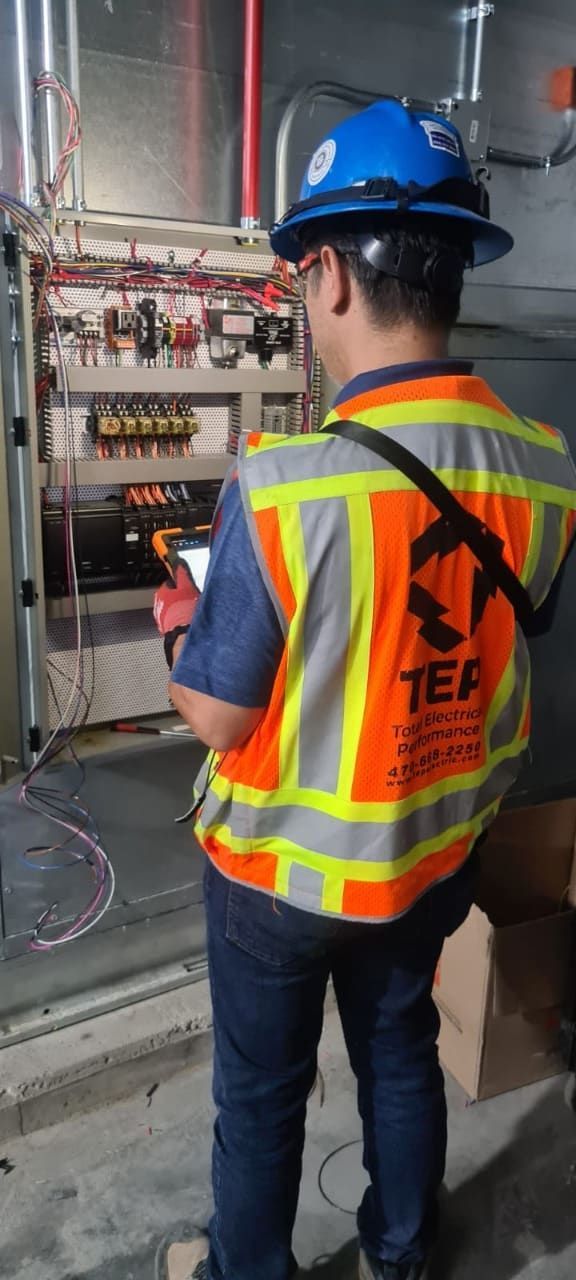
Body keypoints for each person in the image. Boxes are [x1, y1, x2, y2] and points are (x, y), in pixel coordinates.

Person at [153, 100, 576, 1280]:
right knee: (400, 1054)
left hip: (280, 880)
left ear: (331, 272)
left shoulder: (286, 484)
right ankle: (401, 1254)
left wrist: (188, 628)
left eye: (301, 271)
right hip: (433, 855)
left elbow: (225, 713)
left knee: (263, 1096)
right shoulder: (546, 464)